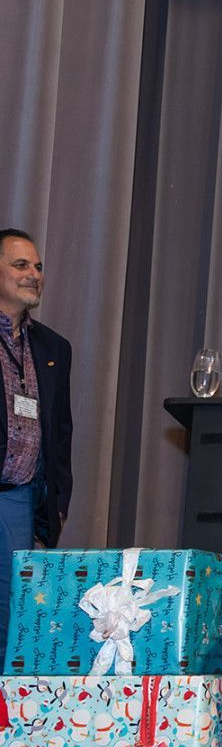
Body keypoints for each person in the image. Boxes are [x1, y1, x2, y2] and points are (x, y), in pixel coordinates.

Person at [0, 229, 72, 653]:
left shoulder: (53, 347)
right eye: (21, 264)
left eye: (39, 266)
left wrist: (56, 505)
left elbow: (61, 435)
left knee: (12, 621)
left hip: (20, 502)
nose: (34, 275)